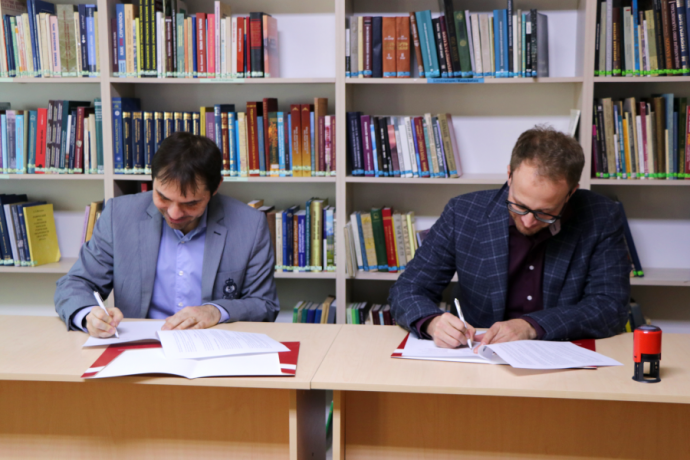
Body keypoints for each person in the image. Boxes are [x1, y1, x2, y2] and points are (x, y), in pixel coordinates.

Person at [389, 126, 630, 349]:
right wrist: (432, 322)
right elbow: (408, 288)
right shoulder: (462, 213)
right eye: (519, 205)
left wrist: (532, 326)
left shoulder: (601, 216)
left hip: (558, 352)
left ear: (571, 192)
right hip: (476, 355)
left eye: (545, 212)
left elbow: (610, 307)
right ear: (509, 175)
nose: (528, 221)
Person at [55, 132, 279, 337]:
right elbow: (75, 283)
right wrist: (88, 315)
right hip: (139, 347)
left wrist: (216, 311)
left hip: (212, 345)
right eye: (163, 198)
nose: (174, 213)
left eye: (190, 203)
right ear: (152, 180)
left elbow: (264, 304)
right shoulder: (118, 216)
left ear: (215, 187)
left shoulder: (250, 225)